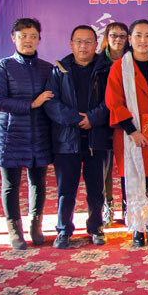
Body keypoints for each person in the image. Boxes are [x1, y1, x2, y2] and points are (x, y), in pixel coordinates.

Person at [44, 25, 112, 249]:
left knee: (96, 190)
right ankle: (63, 230)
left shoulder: (106, 69)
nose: (84, 46)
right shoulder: (59, 70)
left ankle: (96, 227)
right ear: (71, 44)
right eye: (79, 42)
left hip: (97, 138)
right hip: (66, 139)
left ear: (96, 44)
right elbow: (51, 104)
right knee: (66, 189)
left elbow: (112, 101)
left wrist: (92, 118)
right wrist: (76, 119)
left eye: (88, 41)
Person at [0, 18, 53, 250]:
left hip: (39, 133)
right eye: (23, 36)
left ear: (39, 39)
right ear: (13, 38)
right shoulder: (3, 66)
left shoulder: (47, 68)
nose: (28, 40)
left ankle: (36, 225)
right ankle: (14, 230)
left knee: (38, 182)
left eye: (33, 36)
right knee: (10, 185)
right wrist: (32, 104)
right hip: (10, 135)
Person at [105, 19, 148, 248]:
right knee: (132, 180)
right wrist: (132, 131)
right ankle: (136, 228)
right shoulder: (119, 67)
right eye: (138, 35)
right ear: (129, 39)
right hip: (130, 136)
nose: (143, 40)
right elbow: (114, 102)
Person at [99, 21, 128, 227]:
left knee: (128, 169)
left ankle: (128, 207)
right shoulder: (98, 62)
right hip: (103, 121)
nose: (118, 40)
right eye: (113, 35)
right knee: (104, 169)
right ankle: (107, 206)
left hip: (127, 121)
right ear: (106, 38)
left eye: (122, 36)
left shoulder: (132, 60)